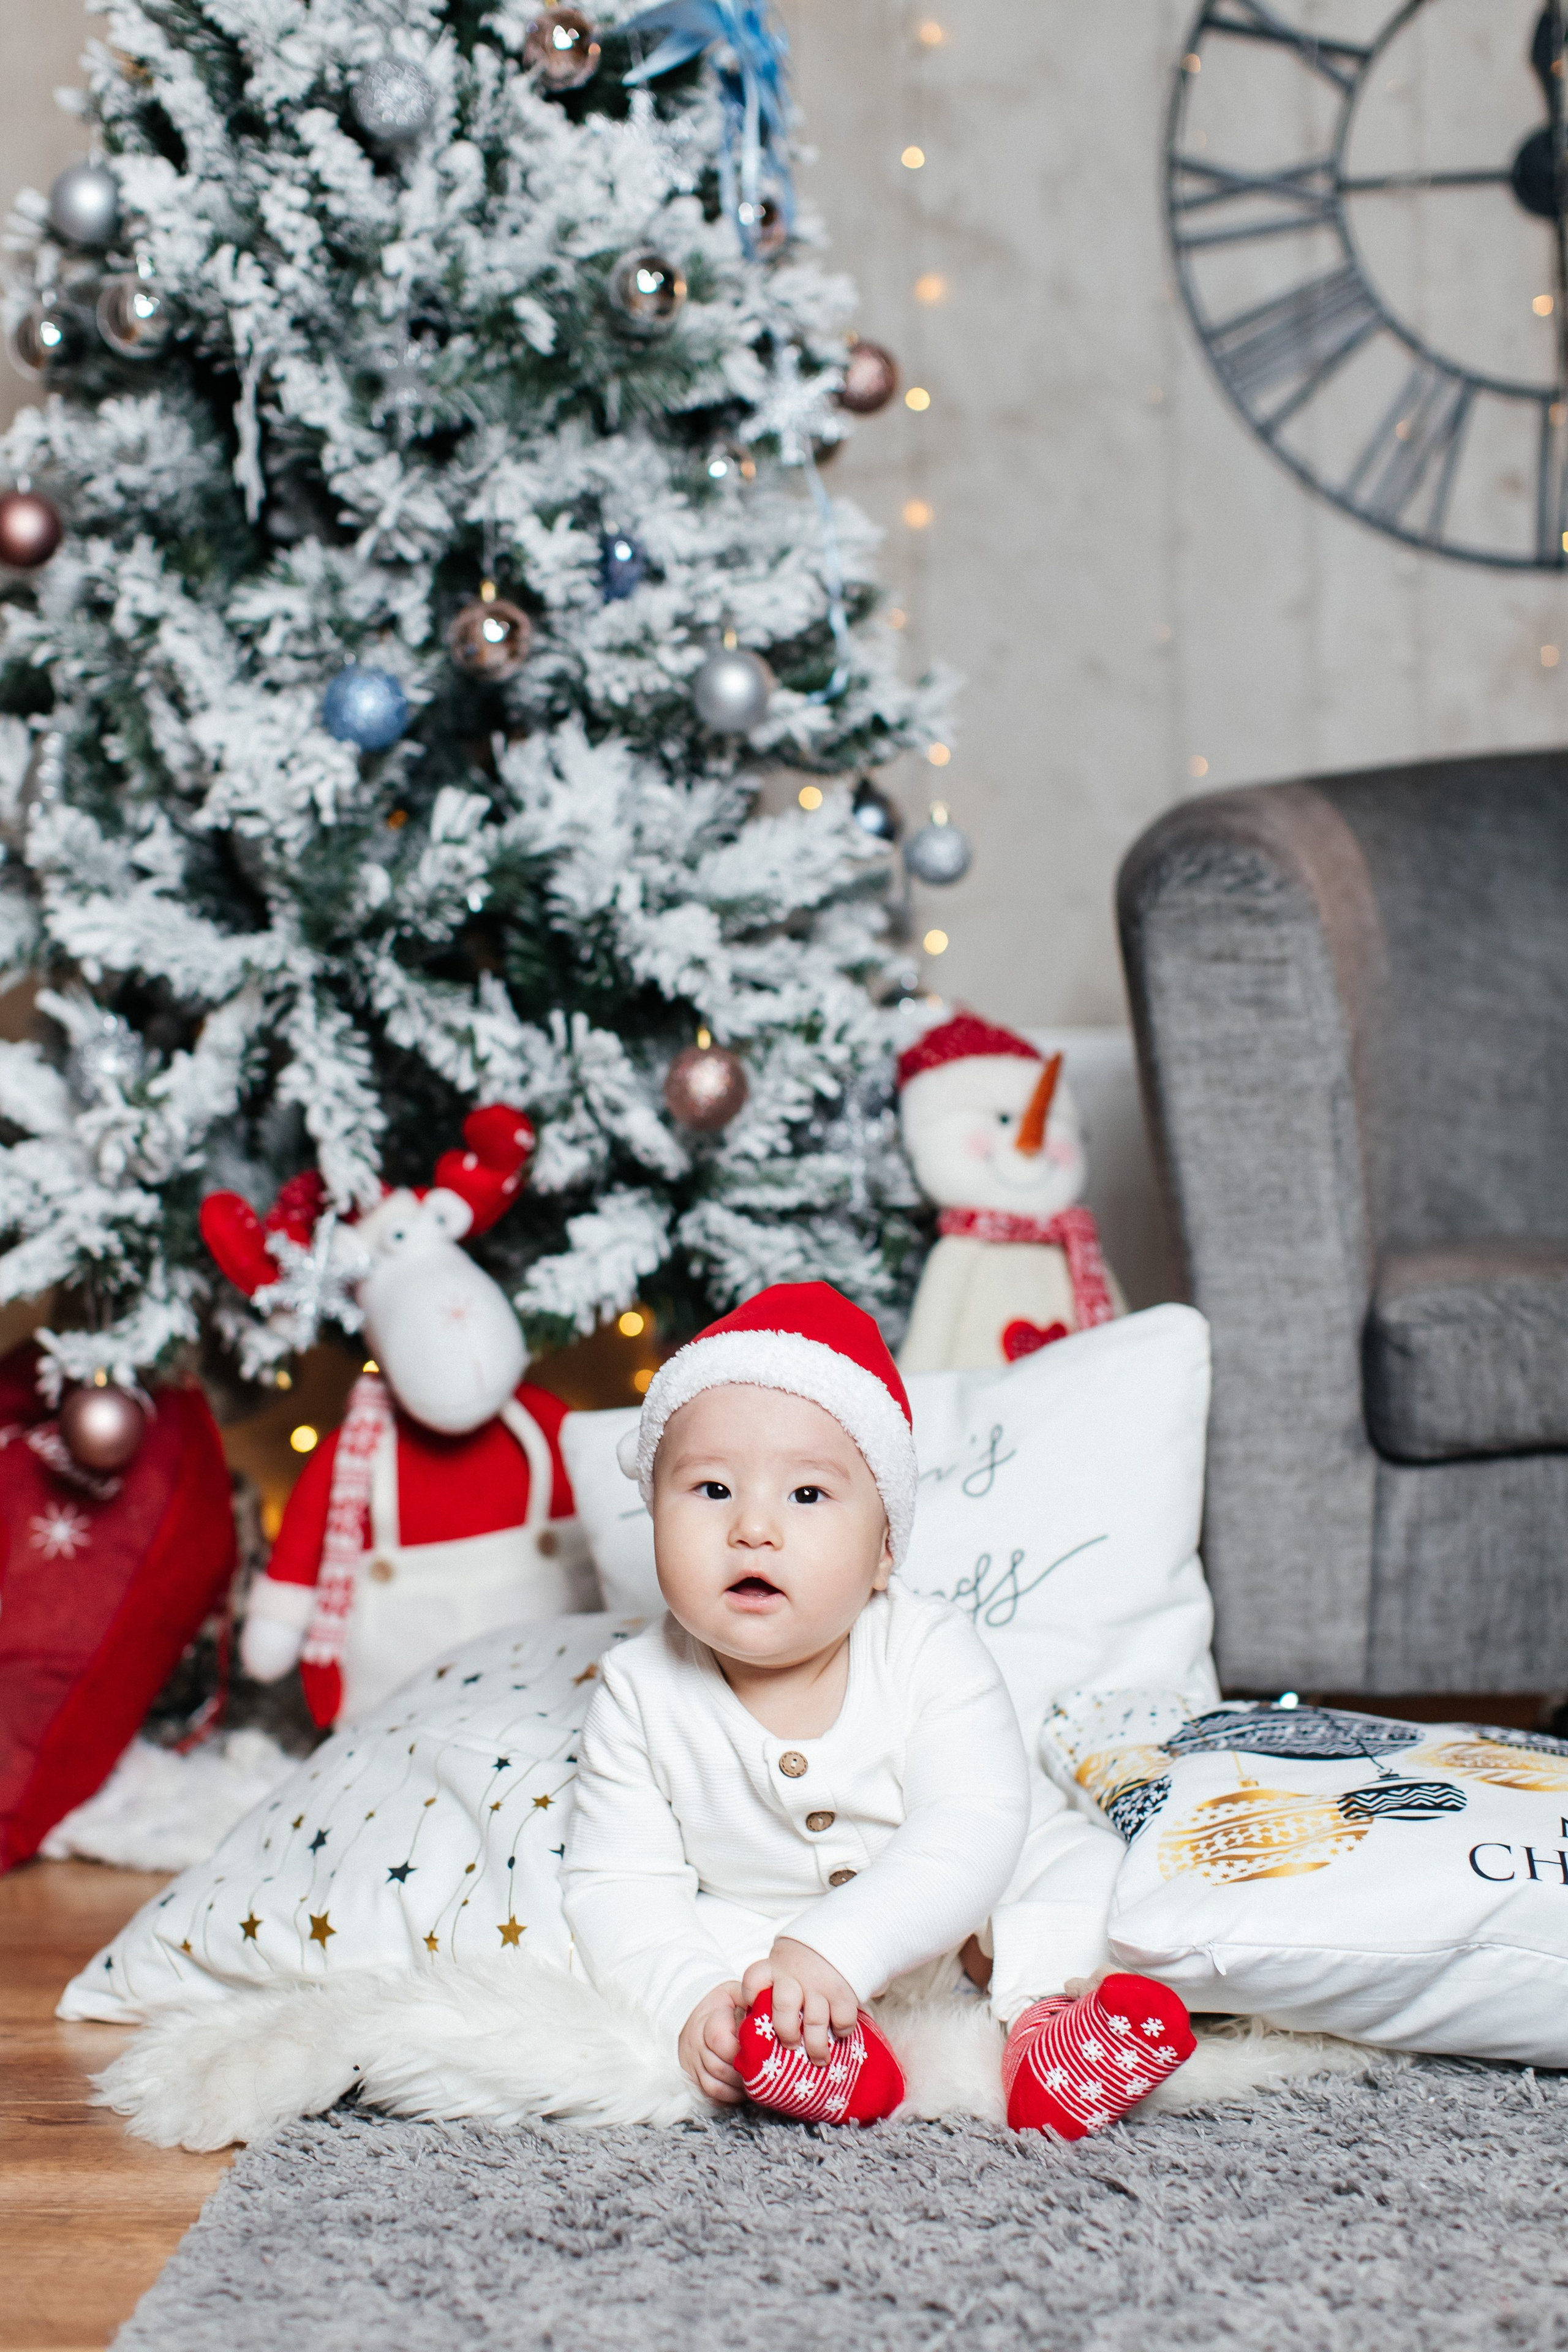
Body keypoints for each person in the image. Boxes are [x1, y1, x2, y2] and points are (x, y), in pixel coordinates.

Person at [562, 1282, 1194, 2135]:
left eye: (808, 1496)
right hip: (773, 1929)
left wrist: (843, 1945)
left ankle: (1052, 2025)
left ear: (885, 1551)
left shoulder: (929, 1650)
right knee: (713, 1948)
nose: (753, 1527)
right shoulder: (639, 1690)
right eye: (711, 1490)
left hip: (971, 1891)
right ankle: (821, 2055)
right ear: (653, 1515)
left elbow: (970, 1825)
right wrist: (686, 1997)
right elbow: (618, 1883)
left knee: (1077, 1874)